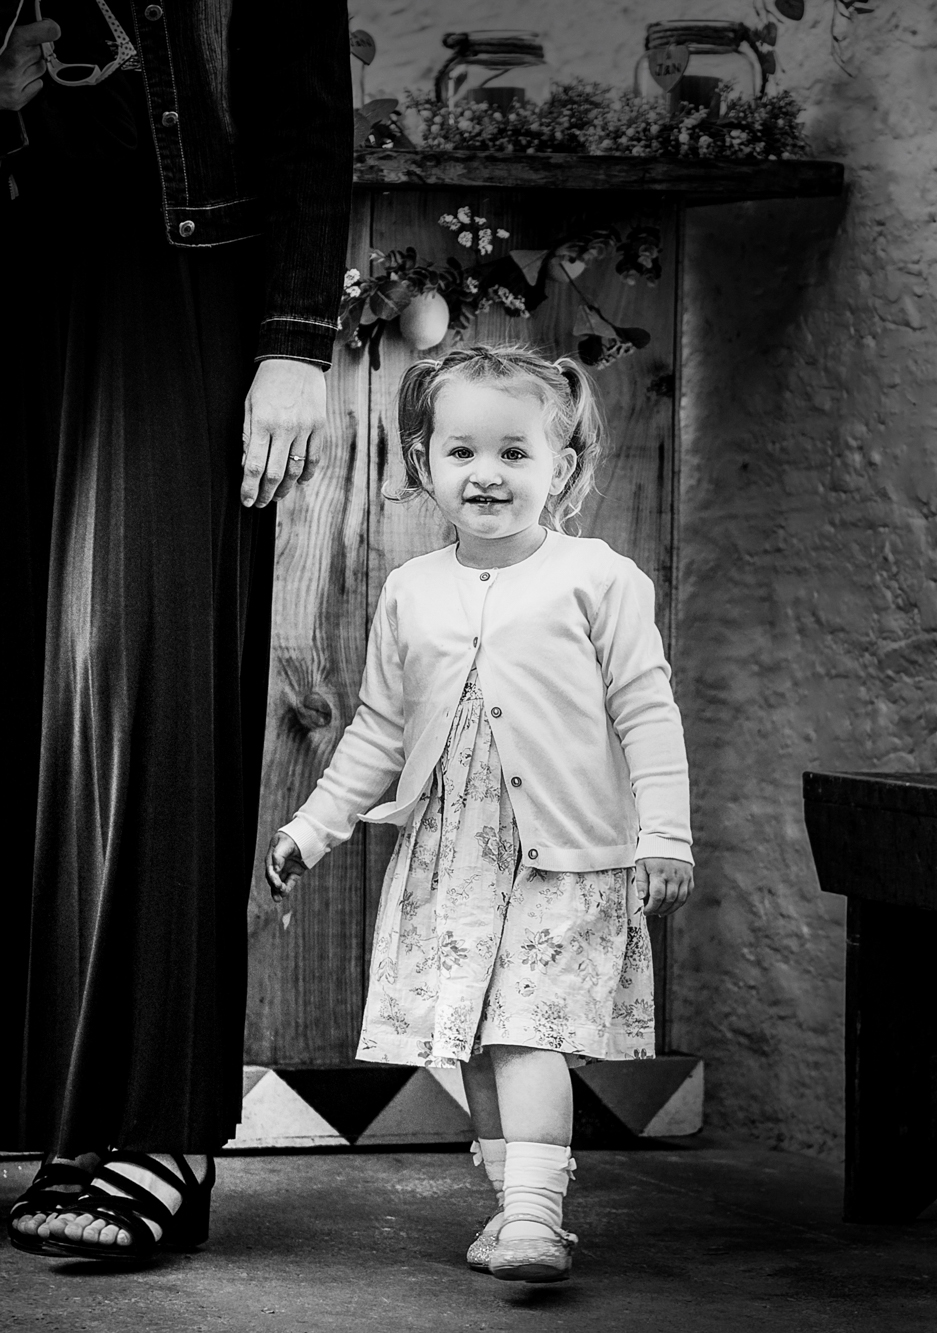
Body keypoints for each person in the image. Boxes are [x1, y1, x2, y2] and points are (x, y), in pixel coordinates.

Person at [0, 0, 350, 1263]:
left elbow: (303, 105)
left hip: (178, 274)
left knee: (142, 679)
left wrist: (297, 338)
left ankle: (154, 1126)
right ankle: (29, 1110)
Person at [264, 345, 695, 1284]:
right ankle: (512, 1207)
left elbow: (646, 709)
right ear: (424, 464)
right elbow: (378, 731)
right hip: (450, 853)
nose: (487, 473)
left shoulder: (599, 576)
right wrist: (312, 827)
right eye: (461, 451)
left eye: (514, 452)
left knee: (524, 1030)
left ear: (562, 467)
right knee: (474, 1039)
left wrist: (666, 835)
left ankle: (539, 1215)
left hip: (565, 853)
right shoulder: (411, 591)